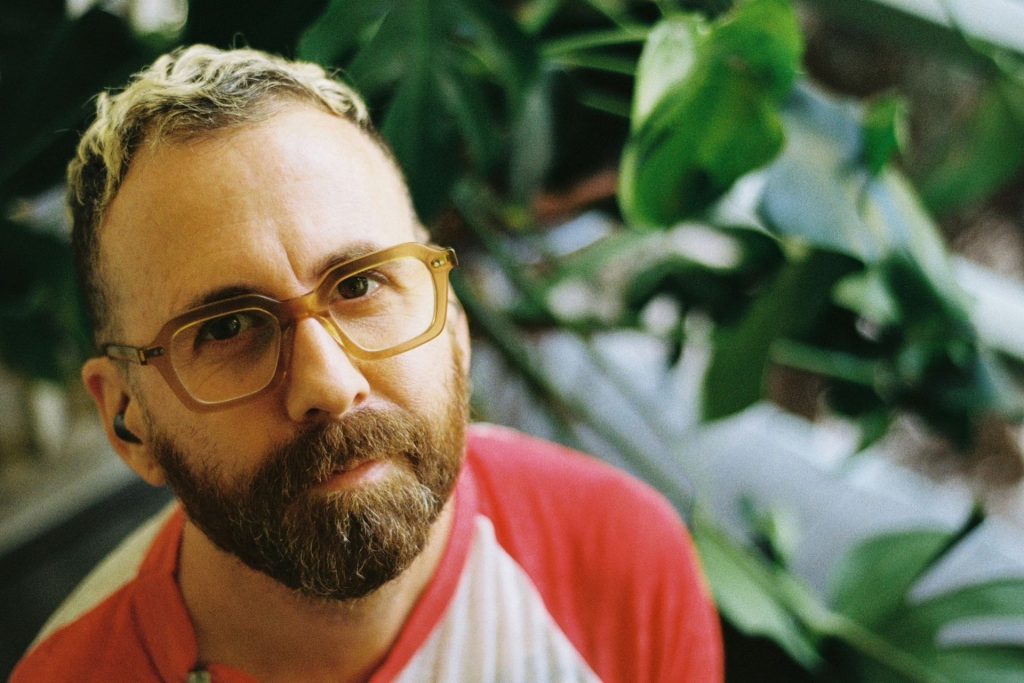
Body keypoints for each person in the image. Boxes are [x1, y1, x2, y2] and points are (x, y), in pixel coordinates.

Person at [11, 45, 722, 682]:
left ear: (455, 320)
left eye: (359, 285)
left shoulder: (624, 561)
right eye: (227, 327)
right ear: (128, 420)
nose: (327, 383)